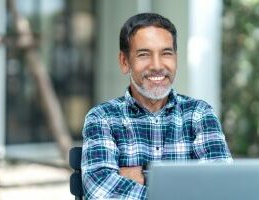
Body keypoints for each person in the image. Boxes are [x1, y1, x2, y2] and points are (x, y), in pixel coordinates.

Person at [81, 13, 232, 200]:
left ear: (175, 58)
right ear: (124, 61)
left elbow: (221, 188)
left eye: (166, 53)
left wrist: (144, 173)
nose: (157, 65)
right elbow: (102, 191)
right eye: (144, 54)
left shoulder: (199, 114)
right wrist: (184, 187)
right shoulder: (102, 118)